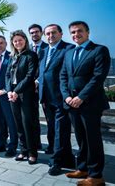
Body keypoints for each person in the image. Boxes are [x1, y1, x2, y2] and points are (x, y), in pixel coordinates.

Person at [61, 21, 110, 185]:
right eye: (73, 32)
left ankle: (96, 176)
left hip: (90, 103)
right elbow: (63, 77)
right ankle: (82, 168)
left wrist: (81, 97)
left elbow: (98, 78)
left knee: (92, 139)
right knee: (81, 138)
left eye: (79, 31)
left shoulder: (99, 50)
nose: (76, 35)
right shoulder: (69, 53)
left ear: (88, 32)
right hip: (72, 104)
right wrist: (67, 97)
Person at [38, 24, 76, 176]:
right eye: (47, 34)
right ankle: (68, 158)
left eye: (53, 33)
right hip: (47, 98)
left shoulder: (68, 49)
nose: (50, 36)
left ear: (61, 34)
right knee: (55, 129)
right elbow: (43, 72)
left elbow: (69, 73)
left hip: (61, 97)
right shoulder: (43, 51)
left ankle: (56, 162)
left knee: (60, 130)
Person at [5, 30, 39, 165]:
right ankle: (23, 150)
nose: (17, 42)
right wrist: (9, 91)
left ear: (25, 40)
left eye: (20, 40)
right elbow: (7, 75)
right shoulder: (12, 56)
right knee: (18, 124)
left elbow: (30, 76)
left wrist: (16, 91)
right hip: (13, 95)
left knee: (27, 124)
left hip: (26, 95)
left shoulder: (31, 56)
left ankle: (32, 152)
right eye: (15, 41)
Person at [28, 24, 47, 151]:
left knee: (49, 118)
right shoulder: (27, 48)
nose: (34, 34)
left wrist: (38, 80)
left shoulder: (48, 48)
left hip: (44, 87)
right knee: (32, 118)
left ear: (41, 33)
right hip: (29, 89)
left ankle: (52, 145)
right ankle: (36, 143)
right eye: (32, 33)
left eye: (36, 32)